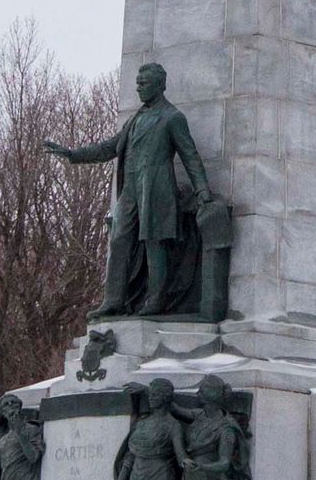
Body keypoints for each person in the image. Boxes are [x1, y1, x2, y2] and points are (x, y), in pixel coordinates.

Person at [45, 62, 216, 317]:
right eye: (137, 84)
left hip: (157, 189)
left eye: (143, 84)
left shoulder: (172, 117)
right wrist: (72, 154)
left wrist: (202, 190)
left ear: (160, 85)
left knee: (154, 243)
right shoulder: (135, 118)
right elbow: (109, 147)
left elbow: (190, 156)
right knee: (119, 239)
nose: (138, 88)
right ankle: (113, 300)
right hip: (131, 189)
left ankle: (156, 300)